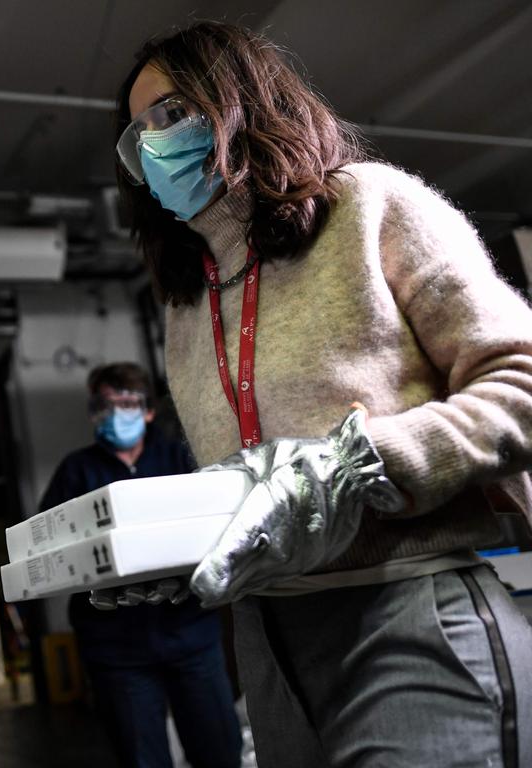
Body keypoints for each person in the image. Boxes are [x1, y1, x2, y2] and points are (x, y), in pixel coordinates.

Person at [98, 20, 532, 768]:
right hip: (266, 643)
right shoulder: (183, 301)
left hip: (408, 613)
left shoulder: (370, 206)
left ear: (237, 101)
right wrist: (179, 548)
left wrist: (360, 463)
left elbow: (521, 381)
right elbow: (252, 482)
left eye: (169, 113)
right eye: (137, 137)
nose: (154, 144)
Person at [39, 362, 242, 768]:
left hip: (190, 636)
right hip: (117, 650)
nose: (116, 414)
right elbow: (50, 554)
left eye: (127, 403)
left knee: (219, 751)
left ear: (148, 410)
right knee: (141, 758)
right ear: (93, 411)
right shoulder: (76, 472)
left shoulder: (179, 458)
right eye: (104, 405)